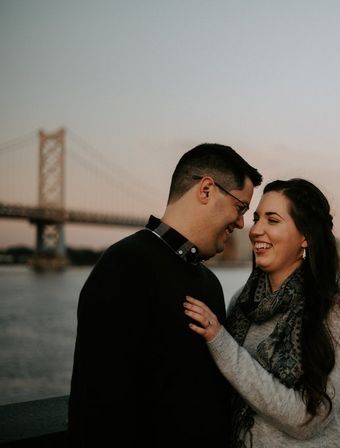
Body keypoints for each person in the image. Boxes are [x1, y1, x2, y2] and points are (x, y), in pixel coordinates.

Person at [67, 144, 262, 446]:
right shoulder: (124, 267)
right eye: (240, 208)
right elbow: (98, 408)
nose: (241, 223)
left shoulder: (210, 283)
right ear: (207, 189)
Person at [184, 178, 340, 448]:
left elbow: (308, 420)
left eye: (272, 220)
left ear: (305, 237)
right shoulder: (241, 302)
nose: (256, 230)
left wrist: (221, 342)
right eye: (257, 218)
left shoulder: (334, 309)